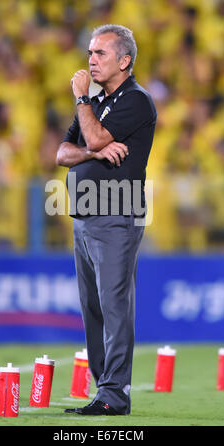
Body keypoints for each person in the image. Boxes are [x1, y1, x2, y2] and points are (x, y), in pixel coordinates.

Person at [56, 24, 156, 415]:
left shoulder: (136, 100)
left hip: (117, 211)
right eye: (90, 53)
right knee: (93, 307)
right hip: (84, 215)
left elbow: (93, 138)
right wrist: (94, 152)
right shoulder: (95, 103)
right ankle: (105, 392)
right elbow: (64, 152)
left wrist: (83, 102)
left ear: (124, 60)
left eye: (100, 53)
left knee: (114, 304)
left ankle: (115, 395)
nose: (91, 60)